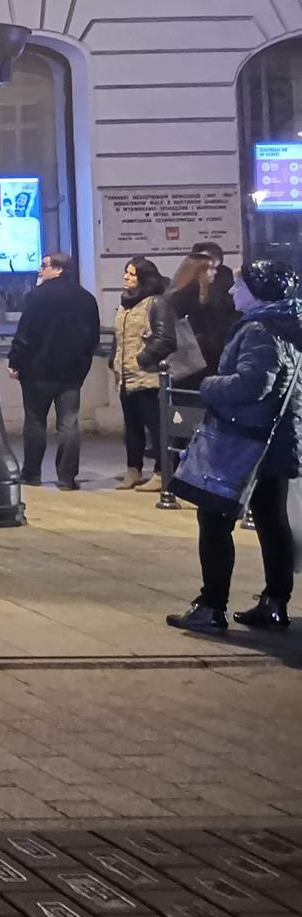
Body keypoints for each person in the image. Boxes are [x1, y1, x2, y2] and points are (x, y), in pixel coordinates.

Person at [166, 259, 302, 635]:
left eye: (239, 286)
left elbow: (251, 385)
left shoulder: (259, 328)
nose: (231, 291)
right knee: (272, 520)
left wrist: (208, 386)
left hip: (243, 442)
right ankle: (275, 602)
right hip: (277, 440)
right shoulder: (287, 324)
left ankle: (211, 606)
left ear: (258, 292)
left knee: (214, 518)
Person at [6, 252, 101, 490]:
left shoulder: (37, 296)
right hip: (71, 372)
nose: (40, 270)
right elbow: (93, 337)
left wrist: (15, 360)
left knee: (35, 421)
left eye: (44, 265)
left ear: (59, 270)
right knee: (69, 422)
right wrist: (82, 361)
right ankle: (67, 477)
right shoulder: (86, 298)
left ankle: (32, 474)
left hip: (37, 370)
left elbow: (25, 332)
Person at [112, 256, 174, 491]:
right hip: (125, 376)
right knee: (132, 426)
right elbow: (118, 337)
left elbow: (166, 339)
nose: (126, 277)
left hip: (148, 377)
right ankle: (133, 469)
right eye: (126, 272)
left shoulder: (156, 303)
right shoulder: (125, 303)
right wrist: (113, 361)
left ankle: (161, 472)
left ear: (144, 278)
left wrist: (142, 359)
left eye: (132, 274)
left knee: (156, 426)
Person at [169, 251, 235, 379]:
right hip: (195, 362)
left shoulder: (187, 294)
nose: (215, 272)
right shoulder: (187, 296)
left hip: (196, 361)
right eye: (210, 269)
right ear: (198, 272)